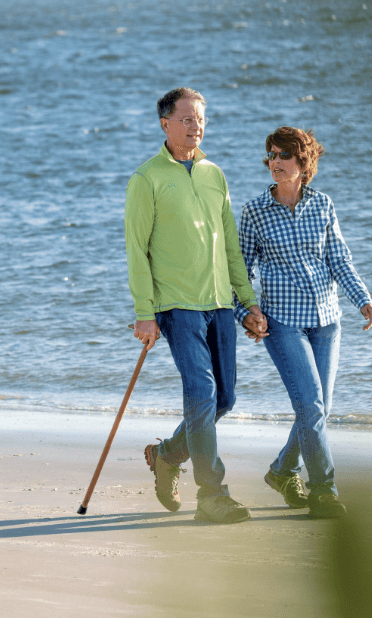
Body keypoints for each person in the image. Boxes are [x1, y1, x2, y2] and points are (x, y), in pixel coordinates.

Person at [124, 87, 266, 524]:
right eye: (186, 119)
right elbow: (136, 250)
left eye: (200, 118)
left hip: (220, 303)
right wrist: (145, 313)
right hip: (176, 306)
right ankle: (212, 494)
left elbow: (231, 250)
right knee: (201, 393)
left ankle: (165, 455)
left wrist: (248, 302)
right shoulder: (147, 178)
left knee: (224, 399)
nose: (195, 126)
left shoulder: (214, 174)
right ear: (165, 124)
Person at [234, 127, 372, 519]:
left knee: (318, 409)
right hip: (282, 324)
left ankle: (282, 471)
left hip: (328, 321)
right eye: (271, 155)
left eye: (284, 155)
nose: (275, 162)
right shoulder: (254, 212)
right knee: (312, 407)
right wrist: (245, 311)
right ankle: (323, 491)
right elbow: (239, 273)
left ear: (303, 162)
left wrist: (362, 299)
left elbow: (339, 259)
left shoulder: (323, 205)